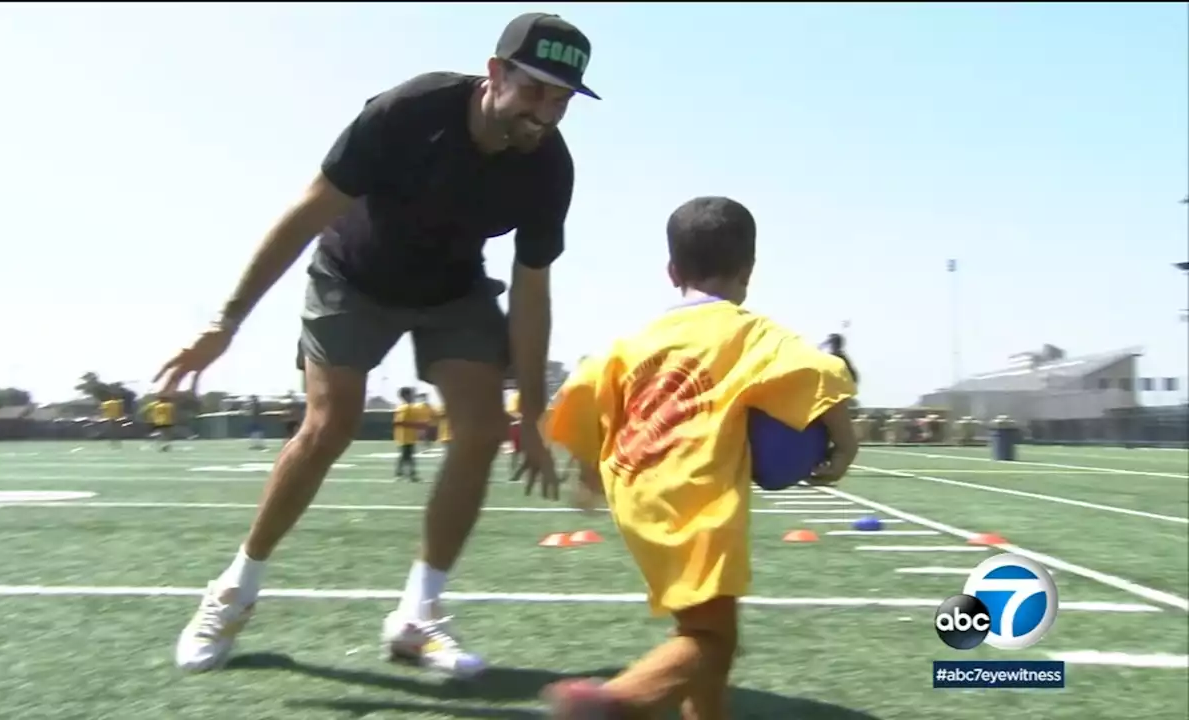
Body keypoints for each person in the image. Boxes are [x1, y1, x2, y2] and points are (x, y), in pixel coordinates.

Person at [156, 12, 599, 677]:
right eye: (535, 90)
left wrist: (532, 413)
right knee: (328, 426)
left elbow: (532, 293)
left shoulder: (548, 168)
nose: (547, 112)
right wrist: (225, 321)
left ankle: (418, 617)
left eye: (563, 98)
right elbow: (308, 210)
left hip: (450, 288)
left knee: (482, 430)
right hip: (353, 276)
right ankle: (233, 590)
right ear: (495, 73)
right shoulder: (409, 110)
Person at [540, 197, 859, 719]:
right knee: (713, 641)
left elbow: (584, 395)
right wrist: (845, 445)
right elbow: (820, 372)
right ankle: (615, 703)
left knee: (700, 628)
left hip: (636, 492)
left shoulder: (633, 341)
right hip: (698, 497)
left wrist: (589, 476)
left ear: (672, 271)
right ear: (749, 271)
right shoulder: (751, 331)